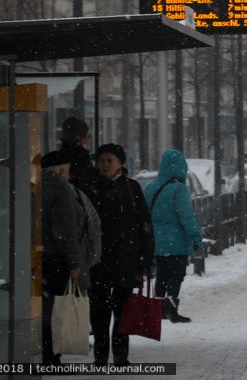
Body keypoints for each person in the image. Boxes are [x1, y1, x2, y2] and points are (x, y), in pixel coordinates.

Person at [89, 143, 153, 366]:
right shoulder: (91, 187)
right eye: (102, 160)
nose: (105, 165)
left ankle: (121, 356)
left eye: (110, 160)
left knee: (123, 312)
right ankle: (100, 357)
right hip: (99, 262)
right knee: (99, 314)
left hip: (126, 260)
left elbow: (144, 223)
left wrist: (146, 257)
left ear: (120, 164)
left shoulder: (131, 187)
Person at [145, 149, 203, 324]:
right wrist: (196, 238)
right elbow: (186, 217)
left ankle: (159, 310)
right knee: (177, 275)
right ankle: (171, 310)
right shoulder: (179, 189)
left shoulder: (151, 187)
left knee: (162, 274)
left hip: (157, 241)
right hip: (176, 241)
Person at [40, 148, 84, 365]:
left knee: (44, 308)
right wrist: (75, 262)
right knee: (56, 310)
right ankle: (51, 356)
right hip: (56, 259)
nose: (69, 174)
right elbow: (66, 231)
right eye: (66, 170)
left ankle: (44, 352)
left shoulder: (32, 185)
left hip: (36, 258)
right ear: (60, 169)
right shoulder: (60, 188)